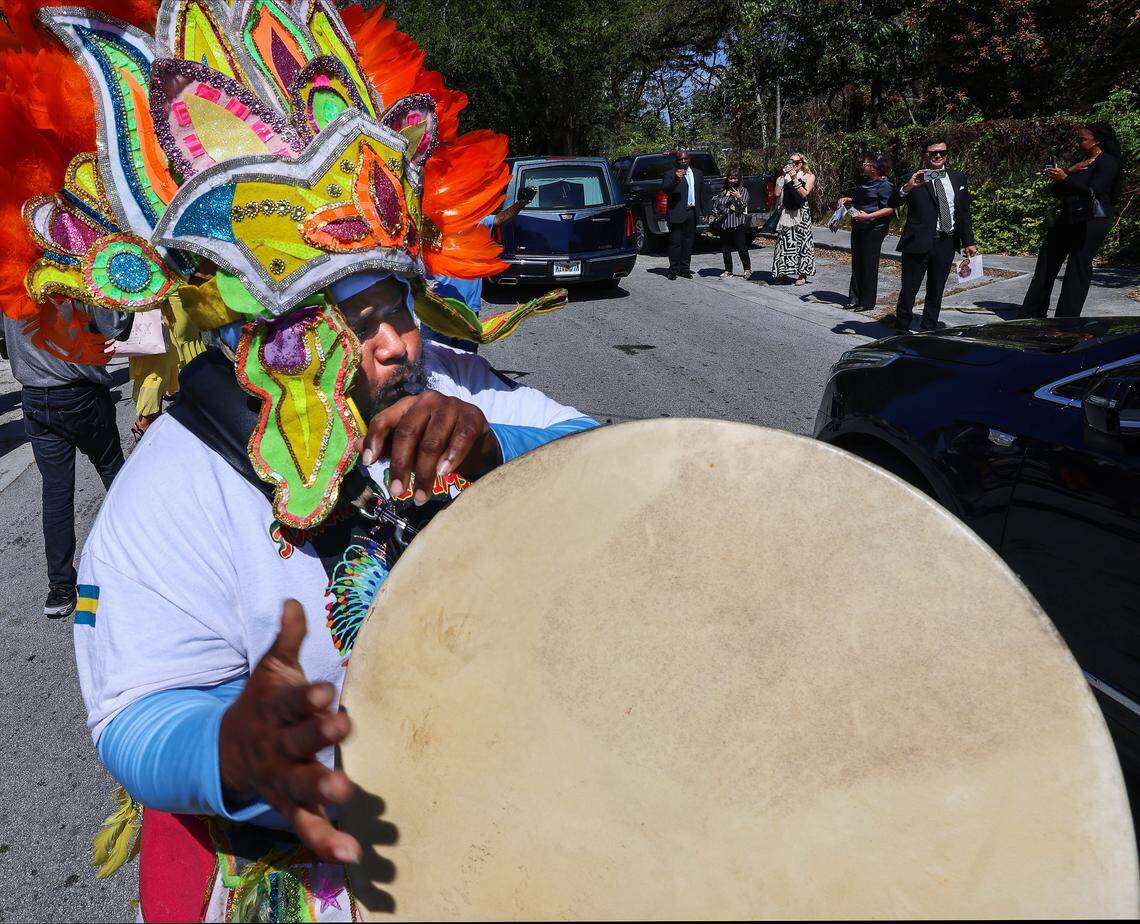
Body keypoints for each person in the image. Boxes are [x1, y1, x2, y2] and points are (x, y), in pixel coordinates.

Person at [10, 3, 596, 917]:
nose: (399, 343)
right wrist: (229, 753)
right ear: (274, 335)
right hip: (308, 870)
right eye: (359, 321)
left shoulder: (451, 383)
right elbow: (134, 710)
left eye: (400, 303)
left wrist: (498, 446)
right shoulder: (180, 474)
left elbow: (633, 478)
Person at [2, 304, 128, 618]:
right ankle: (140, 557)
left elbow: (6, 345)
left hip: (33, 395)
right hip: (80, 393)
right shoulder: (71, 270)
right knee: (115, 473)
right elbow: (115, 325)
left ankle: (60, 588)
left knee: (56, 494)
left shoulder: (11, 274)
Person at [1018, 123, 1122, 319]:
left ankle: (1066, 320)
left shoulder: (1107, 162)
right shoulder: (1082, 161)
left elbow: (1093, 191)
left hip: (1092, 221)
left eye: (1082, 139)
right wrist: (1069, 171)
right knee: (1047, 261)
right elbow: (1056, 191)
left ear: (1096, 141)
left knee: (1078, 265)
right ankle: (1030, 315)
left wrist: (1066, 177)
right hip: (1069, 217)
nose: (1077, 143)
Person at [425, 186, 537, 352]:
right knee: (436, 362)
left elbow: (500, 219)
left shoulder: (475, 223)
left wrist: (522, 202)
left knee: (468, 359)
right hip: (438, 307)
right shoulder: (430, 228)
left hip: (469, 310)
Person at [892, 137, 977, 333]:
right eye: (933, 153)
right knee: (909, 288)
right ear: (925, 155)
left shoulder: (958, 178)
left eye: (942, 152)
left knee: (936, 289)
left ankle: (928, 327)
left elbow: (963, 211)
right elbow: (892, 202)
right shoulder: (913, 178)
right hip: (918, 242)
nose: (938, 156)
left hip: (946, 241)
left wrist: (969, 241)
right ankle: (901, 327)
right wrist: (908, 187)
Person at [836, 153, 895, 311]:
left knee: (869, 263)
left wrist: (868, 216)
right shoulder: (866, 182)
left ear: (875, 167)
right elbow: (863, 200)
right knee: (857, 262)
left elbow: (889, 208)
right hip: (859, 226)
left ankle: (867, 301)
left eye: (866, 163)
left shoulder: (885, 185)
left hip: (874, 228)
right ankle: (854, 298)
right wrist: (848, 200)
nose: (863, 165)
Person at [661, 150, 705, 280]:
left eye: (685, 159)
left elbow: (702, 192)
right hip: (676, 212)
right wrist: (676, 179)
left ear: (689, 159)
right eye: (680, 159)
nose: (683, 161)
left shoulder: (697, 173)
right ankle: (673, 269)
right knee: (675, 243)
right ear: (677, 161)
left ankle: (684, 269)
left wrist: (705, 211)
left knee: (688, 242)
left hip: (692, 212)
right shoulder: (670, 174)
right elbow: (665, 189)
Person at [772, 153, 816, 285]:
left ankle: (802, 275)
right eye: (791, 162)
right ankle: (783, 273)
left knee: (803, 242)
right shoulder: (784, 177)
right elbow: (776, 193)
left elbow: (804, 194)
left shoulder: (809, 176)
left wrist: (794, 178)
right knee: (784, 241)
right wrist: (781, 177)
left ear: (802, 163)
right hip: (787, 211)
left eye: (796, 162)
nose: (793, 165)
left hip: (802, 211)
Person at [713, 171, 752, 278]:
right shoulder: (723, 191)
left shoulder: (743, 191)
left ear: (739, 179)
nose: (732, 180)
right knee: (725, 248)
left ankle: (747, 269)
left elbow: (743, 206)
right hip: (724, 223)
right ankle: (728, 270)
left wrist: (738, 197)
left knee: (741, 247)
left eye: (735, 178)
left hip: (737, 222)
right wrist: (716, 211)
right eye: (730, 178)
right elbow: (716, 204)